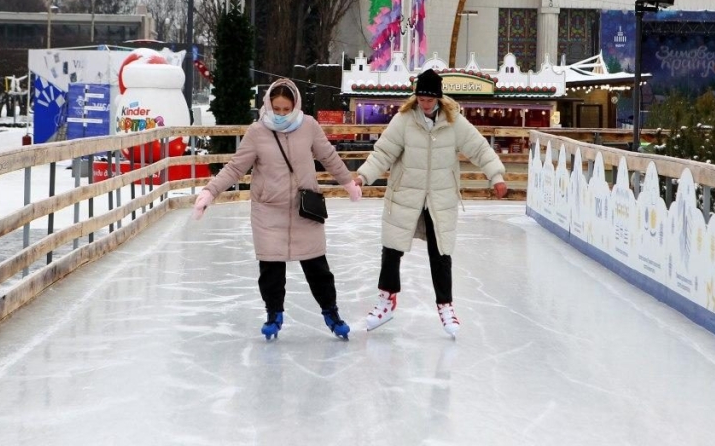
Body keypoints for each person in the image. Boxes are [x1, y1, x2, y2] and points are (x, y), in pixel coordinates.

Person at [192, 78, 363, 341]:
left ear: (295, 105)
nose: (281, 114)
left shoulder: (309, 127)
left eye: (286, 108)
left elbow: (329, 156)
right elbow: (236, 167)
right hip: (268, 211)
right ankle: (274, 314)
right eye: (277, 109)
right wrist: (210, 191)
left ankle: (331, 312)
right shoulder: (257, 132)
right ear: (268, 105)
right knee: (271, 270)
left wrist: (348, 183)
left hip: (304, 209)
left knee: (318, 268)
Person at [354, 68, 508, 339]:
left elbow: (480, 148)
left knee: (441, 253)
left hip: (440, 198)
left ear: (438, 98)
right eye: (421, 98)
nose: (425, 103)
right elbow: (383, 152)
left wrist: (495, 175)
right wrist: (363, 176)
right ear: (416, 97)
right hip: (405, 195)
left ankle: (445, 305)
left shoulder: (454, 122)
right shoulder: (403, 121)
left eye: (430, 99)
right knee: (392, 249)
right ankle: (386, 300)